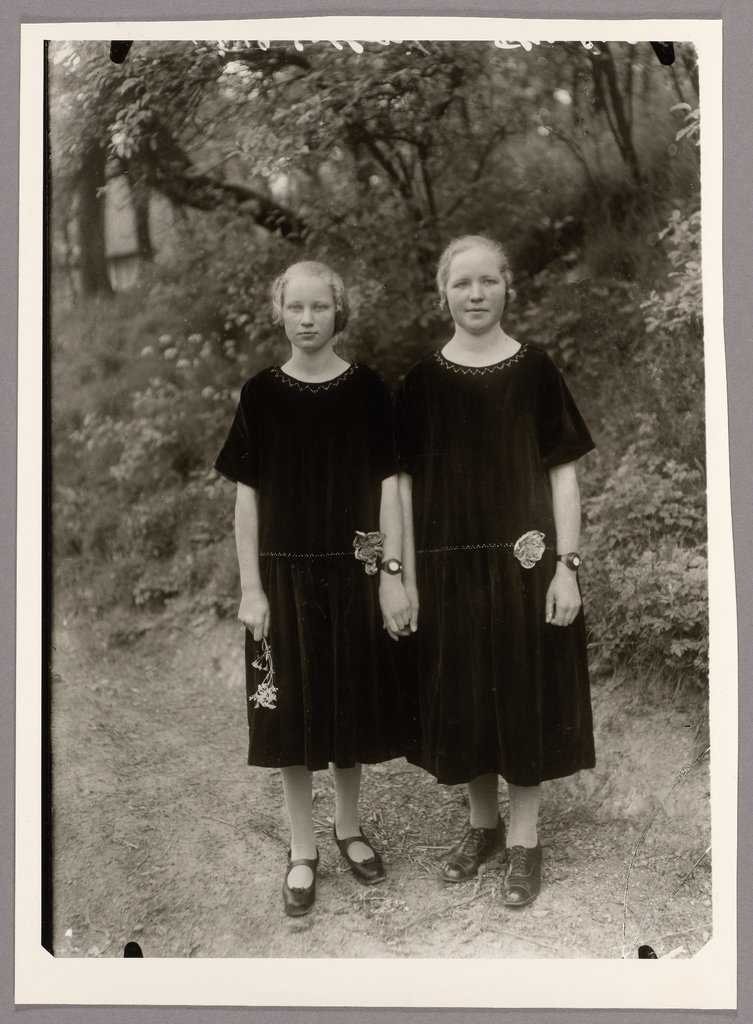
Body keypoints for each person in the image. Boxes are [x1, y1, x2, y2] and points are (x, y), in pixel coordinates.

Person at [395, 235, 596, 907]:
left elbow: (563, 475)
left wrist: (567, 566)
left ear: (508, 287)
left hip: (525, 567)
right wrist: (400, 574)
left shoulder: (536, 370)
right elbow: (396, 485)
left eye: (487, 281)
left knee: (521, 695)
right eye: (462, 284)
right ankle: (482, 826)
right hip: (448, 569)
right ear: (442, 293)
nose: (475, 294)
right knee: (464, 698)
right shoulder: (420, 384)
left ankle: (525, 842)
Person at [215, 261, 412, 917]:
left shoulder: (366, 390)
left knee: (347, 710)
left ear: (338, 312)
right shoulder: (260, 395)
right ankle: (302, 848)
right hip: (283, 576)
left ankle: (348, 828)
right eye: (295, 307)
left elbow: (388, 488)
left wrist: (388, 575)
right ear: (280, 312)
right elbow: (248, 501)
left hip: (353, 572)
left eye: (318, 308)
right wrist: (252, 589)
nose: (306, 319)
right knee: (291, 716)